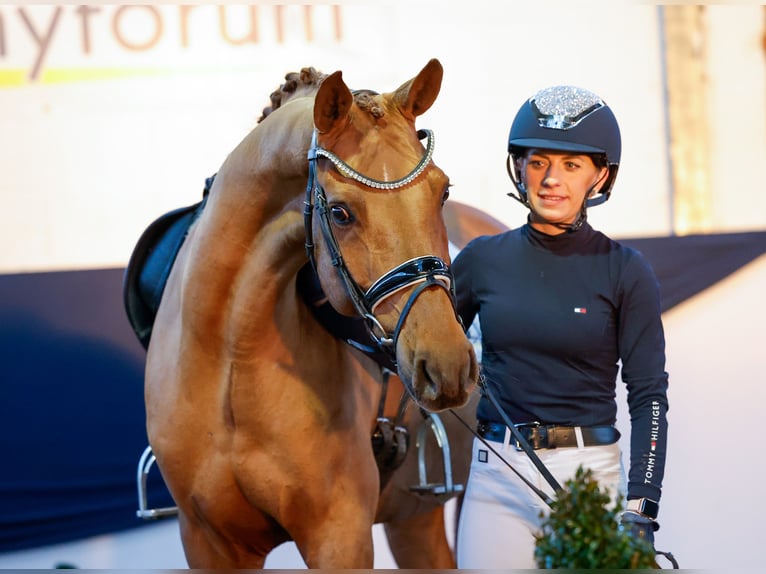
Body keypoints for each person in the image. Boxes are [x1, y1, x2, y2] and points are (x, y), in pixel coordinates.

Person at [453, 85, 669, 569]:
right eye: (538, 162)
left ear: (600, 175)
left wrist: (641, 509)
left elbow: (649, 395)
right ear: (520, 168)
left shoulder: (626, 270)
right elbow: (429, 353)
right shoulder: (481, 260)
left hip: (587, 479)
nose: (551, 179)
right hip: (496, 476)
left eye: (571, 165)